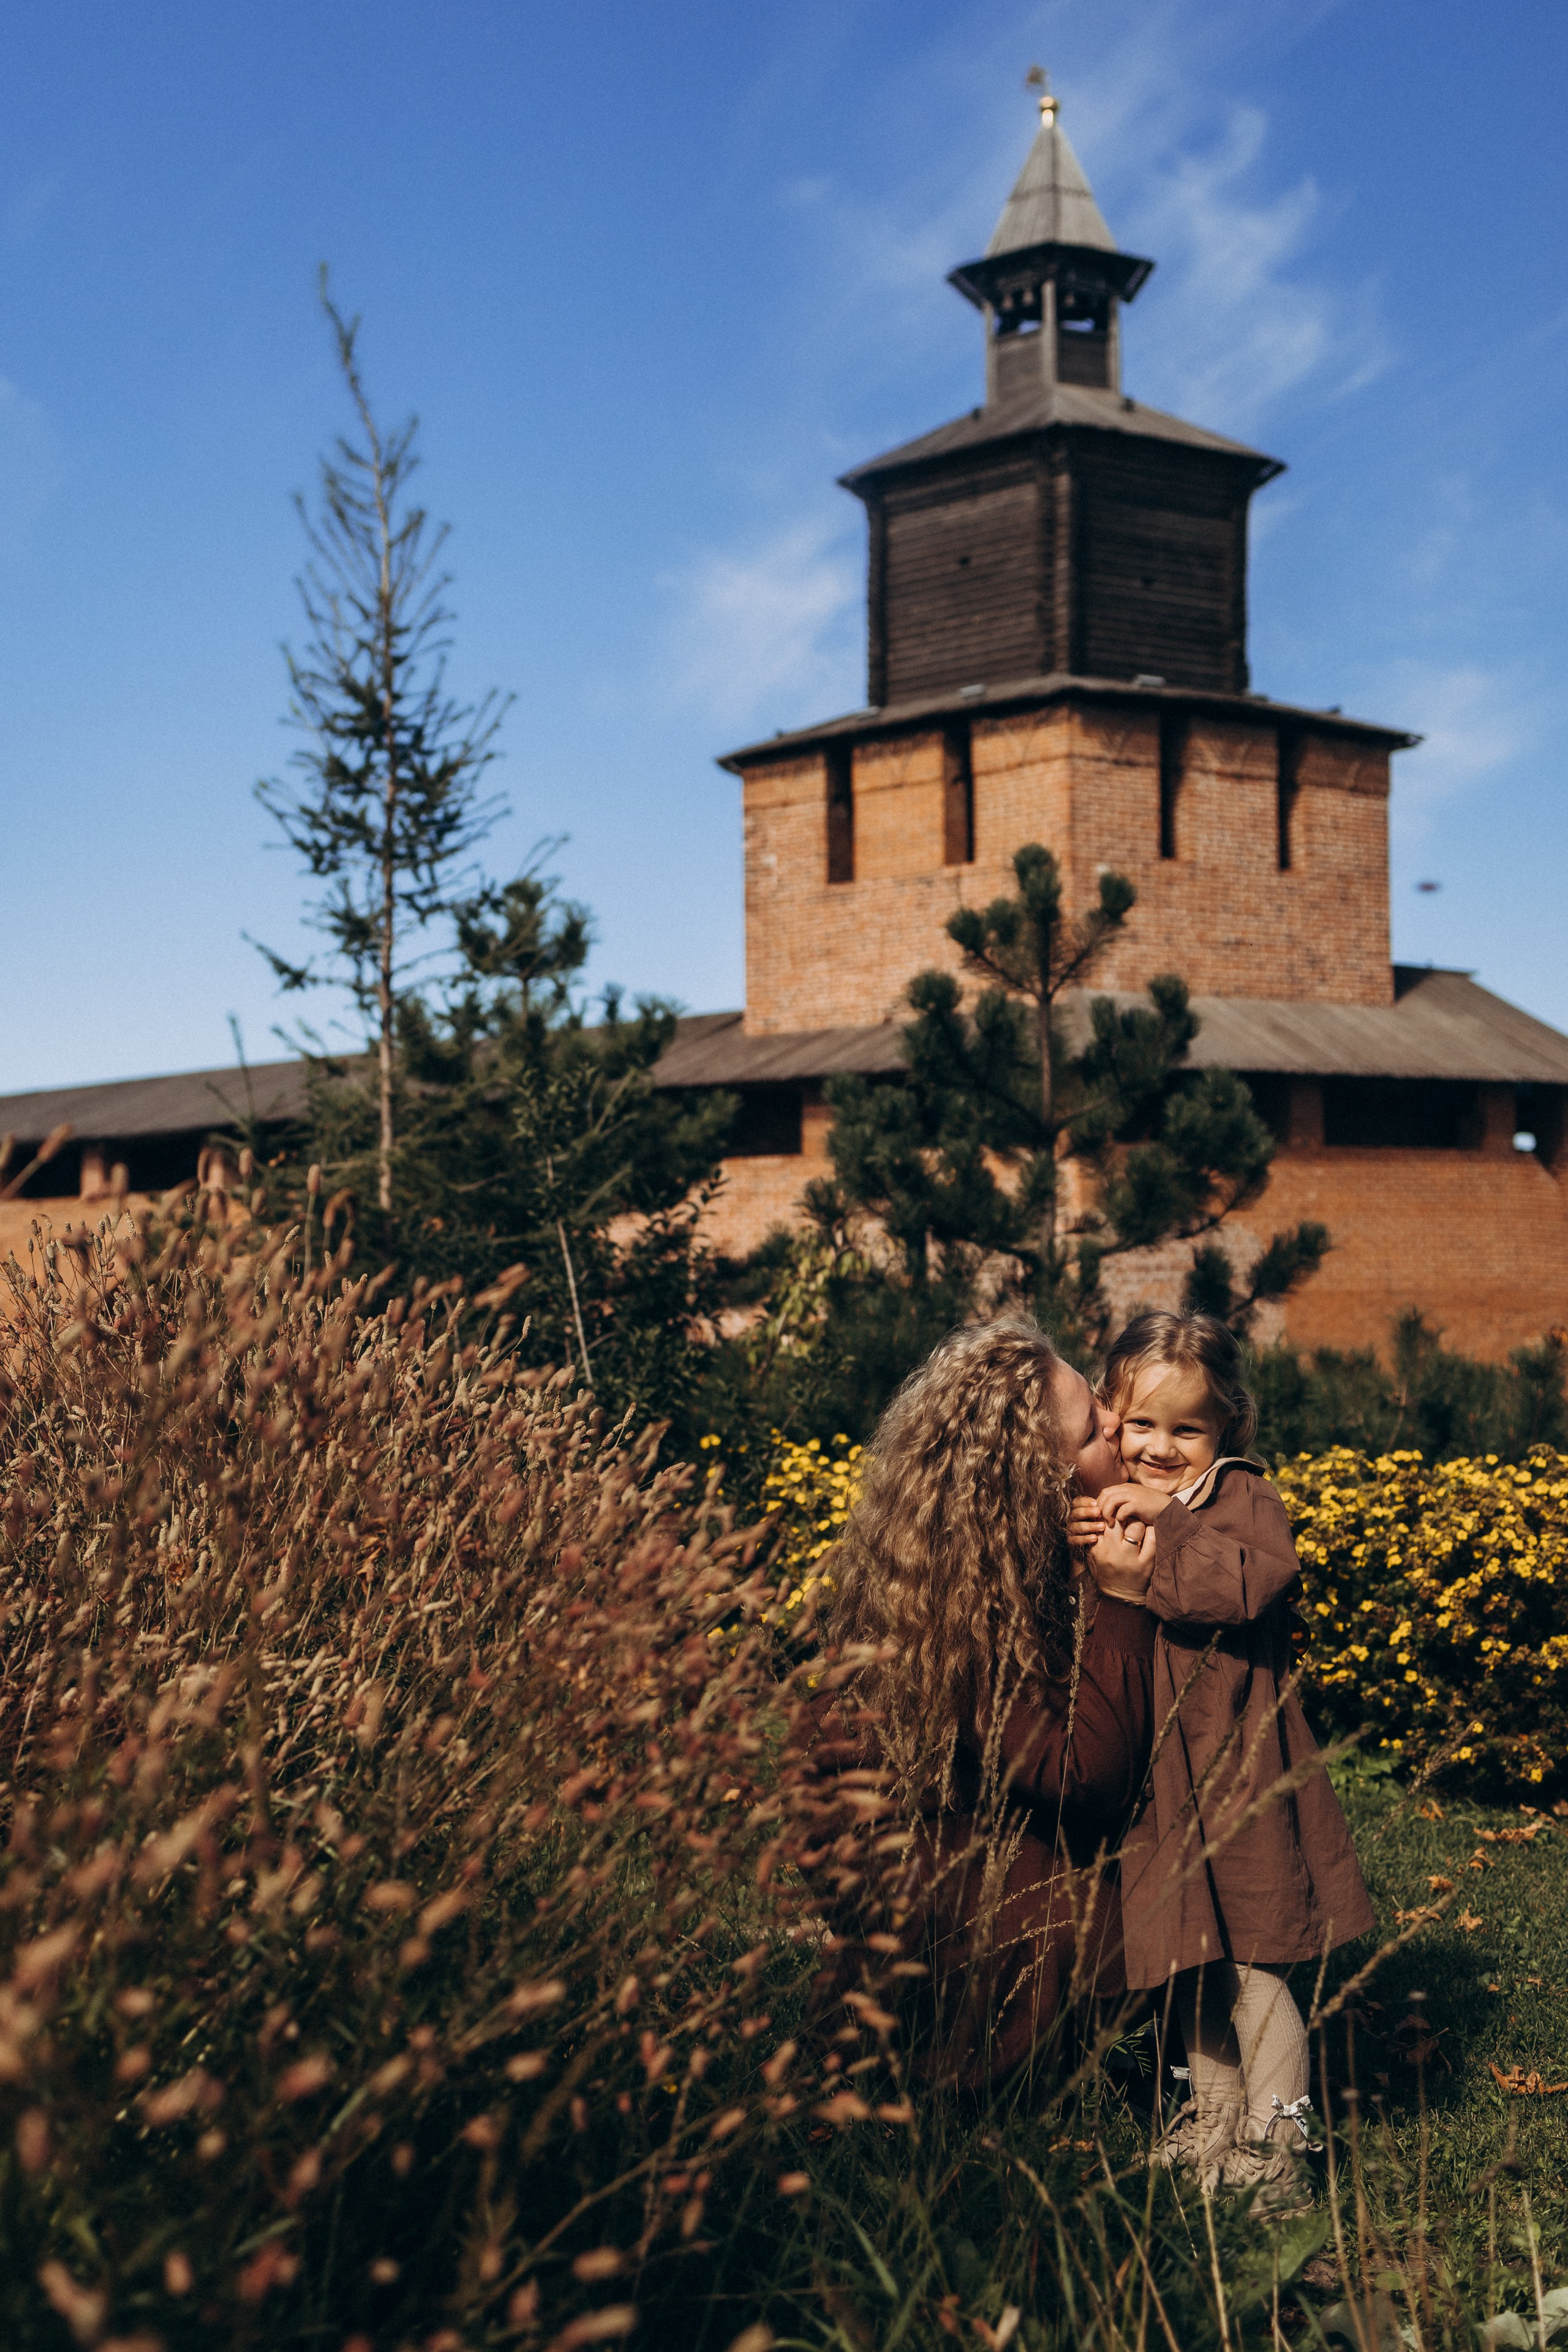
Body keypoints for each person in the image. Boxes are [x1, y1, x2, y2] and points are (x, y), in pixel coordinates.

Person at [1069, 1310, 1373, 2196]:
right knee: (1183, 1961)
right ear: (1111, 1421)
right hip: (1157, 1782)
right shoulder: (1106, 1505)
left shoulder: (1240, 1499)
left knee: (1255, 1965)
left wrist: (1167, 1524)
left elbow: (1245, 1588)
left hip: (1239, 1772)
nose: (1160, 1448)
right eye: (1141, 1426)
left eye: (1186, 1428)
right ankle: (1212, 2120)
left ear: (1226, 1427)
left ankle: (1279, 2152)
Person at [811, 1317, 1156, 2091]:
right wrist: (1119, 1599)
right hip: (922, 1877)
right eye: (1093, 1429)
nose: (1119, 1429)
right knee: (1129, 1916)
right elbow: (1086, 1776)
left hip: (969, 1838)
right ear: (1038, 1482)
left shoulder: (999, 1564)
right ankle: (958, 2079)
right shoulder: (963, 1609)